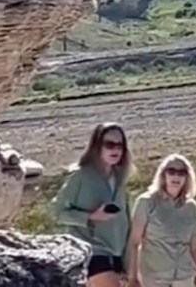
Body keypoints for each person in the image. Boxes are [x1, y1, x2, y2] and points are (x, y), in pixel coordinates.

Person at [51, 123, 134, 287]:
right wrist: (90, 217)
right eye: (109, 144)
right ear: (97, 146)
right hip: (90, 252)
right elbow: (57, 212)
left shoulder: (119, 180)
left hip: (116, 255)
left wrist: (128, 262)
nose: (115, 150)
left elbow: (126, 225)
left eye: (120, 145)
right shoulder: (80, 176)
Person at [126, 154, 196, 287]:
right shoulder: (146, 202)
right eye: (171, 171)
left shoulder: (191, 206)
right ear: (163, 175)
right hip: (154, 277)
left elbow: (194, 247)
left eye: (181, 173)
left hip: (184, 277)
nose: (176, 177)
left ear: (187, 177)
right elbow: (134, 243)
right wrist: (132, 278)